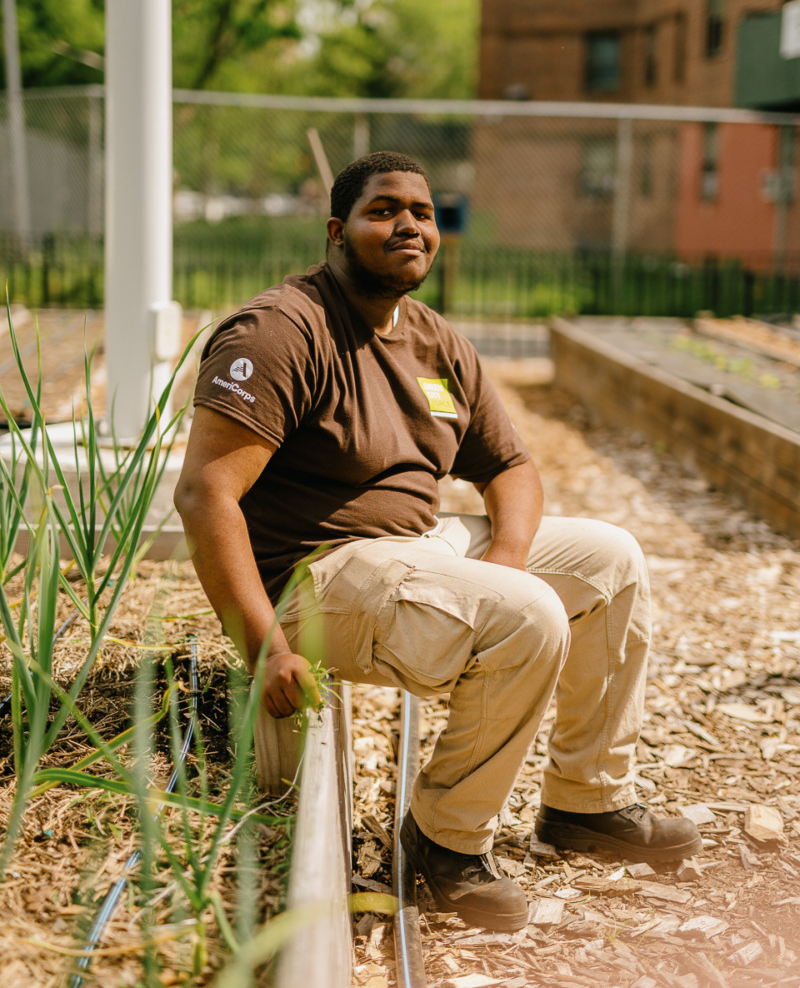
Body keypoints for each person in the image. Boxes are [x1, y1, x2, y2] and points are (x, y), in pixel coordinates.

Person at [174, 150, 701, 933]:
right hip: (317, 578)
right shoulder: (285, 330)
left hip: (414, 545)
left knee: (610, 559)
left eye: (421, 212)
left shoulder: (433, 341)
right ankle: (443, 845)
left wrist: (508, 559)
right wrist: (261, 645)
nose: (408, 225)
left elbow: (512, 466)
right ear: (337, 232)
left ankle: (585, 804)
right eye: (384, 210)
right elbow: (204, 492)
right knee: (527, 614)